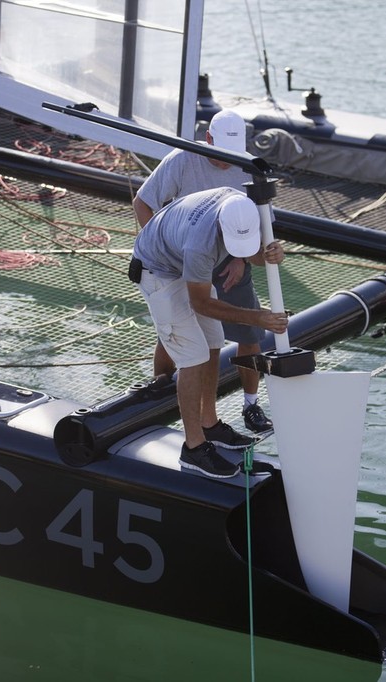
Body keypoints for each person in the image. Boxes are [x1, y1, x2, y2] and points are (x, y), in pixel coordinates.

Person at [133, 109, 274, 434]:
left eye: (233, 154)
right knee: (181, 337)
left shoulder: (251, 168)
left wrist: (241, 256)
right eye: (220, 153)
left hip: (231, 250)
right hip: (183, 254)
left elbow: (257, 225)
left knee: (244, 336)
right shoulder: (182, 160)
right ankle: (164, 391)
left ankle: (249, 405)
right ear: (207, 140)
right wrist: (165, 248)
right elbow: (143, 202)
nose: (227, 162)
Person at [131, 187, 288, 479]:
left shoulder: (247, 210)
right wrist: (258, 317)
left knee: (214, 342)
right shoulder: (200, 244)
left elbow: (252, 254)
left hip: (179, 258)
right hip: (158, 270)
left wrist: (270, 254)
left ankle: (209, 423)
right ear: (221, 228)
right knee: (192, 356)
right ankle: (193, 448)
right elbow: (200, 303)